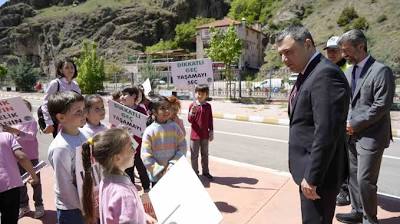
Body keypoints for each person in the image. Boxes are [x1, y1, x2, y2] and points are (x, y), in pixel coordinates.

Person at [276, 25, 350, 224]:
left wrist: (312, 177)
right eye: (281, 54)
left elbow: (326, 132)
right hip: (309, 170)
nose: (284, 59)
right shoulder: (308, 73)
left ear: (307, 44)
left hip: (319, 176)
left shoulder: (325, 74)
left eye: (289, 52)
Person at [335, 29, 395, 224]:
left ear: (361, 46)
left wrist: (354, 123)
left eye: (346, 50)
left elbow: (381, 105)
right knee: (352, 177)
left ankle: (370, 219)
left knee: (365, 180)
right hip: (351, 135)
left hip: (372, 136)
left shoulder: (381, 71)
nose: (343, 55)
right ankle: (357, 211)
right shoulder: (350, 71)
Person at [81, 128, 156, 224]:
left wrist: (143, 216)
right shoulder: (124, 194)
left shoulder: (106, 181)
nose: (135, 151)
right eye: (130, 147)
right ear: (117, 158)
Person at [47, 91, 88, 224]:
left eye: (83, 109)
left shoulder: (83, 135)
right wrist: (84, 207)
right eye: (78, 112)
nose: (84, 114)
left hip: (86, 203)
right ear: (61, 117)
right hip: (71, 210)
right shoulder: (61, 148)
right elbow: (65, 187)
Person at [2, 99, 44, 219]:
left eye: (24, 108)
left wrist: (15, 131)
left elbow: (30, 137)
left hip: (31, 157)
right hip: (15, 158)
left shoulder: (32, 122)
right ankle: (24, 206)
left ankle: (39, 206)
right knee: (20, 183)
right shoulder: (11, 122)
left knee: (35, 182)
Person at [324, 35, 352, 206]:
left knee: (346, 158)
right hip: (332, 120)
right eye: (329, 51)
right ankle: (338, 187)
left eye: (335, 50)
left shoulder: (349, 68)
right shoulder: (327, 67)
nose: (332, 54)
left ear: (342, 51)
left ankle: (345, 191)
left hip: (346, 122)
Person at [141, 95, 187, 185]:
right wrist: (159, 171)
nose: (167, 111)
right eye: (162, 108)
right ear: (154, 111)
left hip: (174, 174)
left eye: (168, 108)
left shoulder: (175, 127)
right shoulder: (149, 131)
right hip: (158, 178)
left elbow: (183, 147)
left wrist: (173, 164)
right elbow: (145, 155)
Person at [0, 131, 39, 224]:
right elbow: (21, 157)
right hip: (9, 185)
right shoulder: (6, 136)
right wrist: (34, 176)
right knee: (9, 218)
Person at [120, 86, 151, 192]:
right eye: (121, 95)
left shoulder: (141, 109)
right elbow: (113, 126)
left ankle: (147, 189)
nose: (122, 97)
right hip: (126, 147)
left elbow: (145, 126)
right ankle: (132, 192)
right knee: (128, 171)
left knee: (142, 169)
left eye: (125, 94)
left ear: (133, 96)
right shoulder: (119, 109)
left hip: (138, 146)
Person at [41, 58, 81, 138]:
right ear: (61, 70)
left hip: (73, 121)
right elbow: (46, 103)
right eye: (67, 67)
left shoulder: (75, 85)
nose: (70, 70)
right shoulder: (55, 83)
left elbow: (80, 103)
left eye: (72, 67)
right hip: (59, 122)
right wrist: (49, 122)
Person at [188, 84, 214, 180]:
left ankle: (206, 171)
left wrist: (211, 131)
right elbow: (190, 120)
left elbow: (210, 120)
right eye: (198, 93)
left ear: (206, 95)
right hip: (194, 136)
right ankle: (194, 173)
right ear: (195, 94)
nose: (199, 96)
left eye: (202, 94)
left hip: (205, 135)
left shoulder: (208, 106)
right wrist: (192, 112)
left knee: (205, 154)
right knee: (194, 156)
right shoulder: (193, 105)